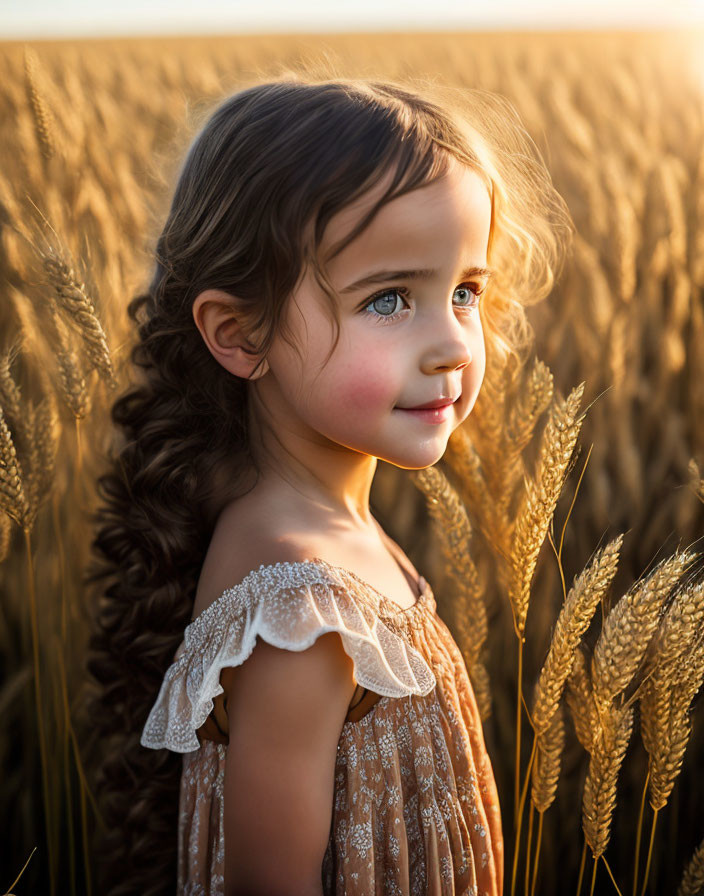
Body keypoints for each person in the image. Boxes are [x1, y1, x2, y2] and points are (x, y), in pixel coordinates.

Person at [84, 70, 572, 896]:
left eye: (464, 292)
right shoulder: (298, 614)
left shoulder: (324, 531)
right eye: (389, 300)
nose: (453, 343)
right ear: (241, 334)